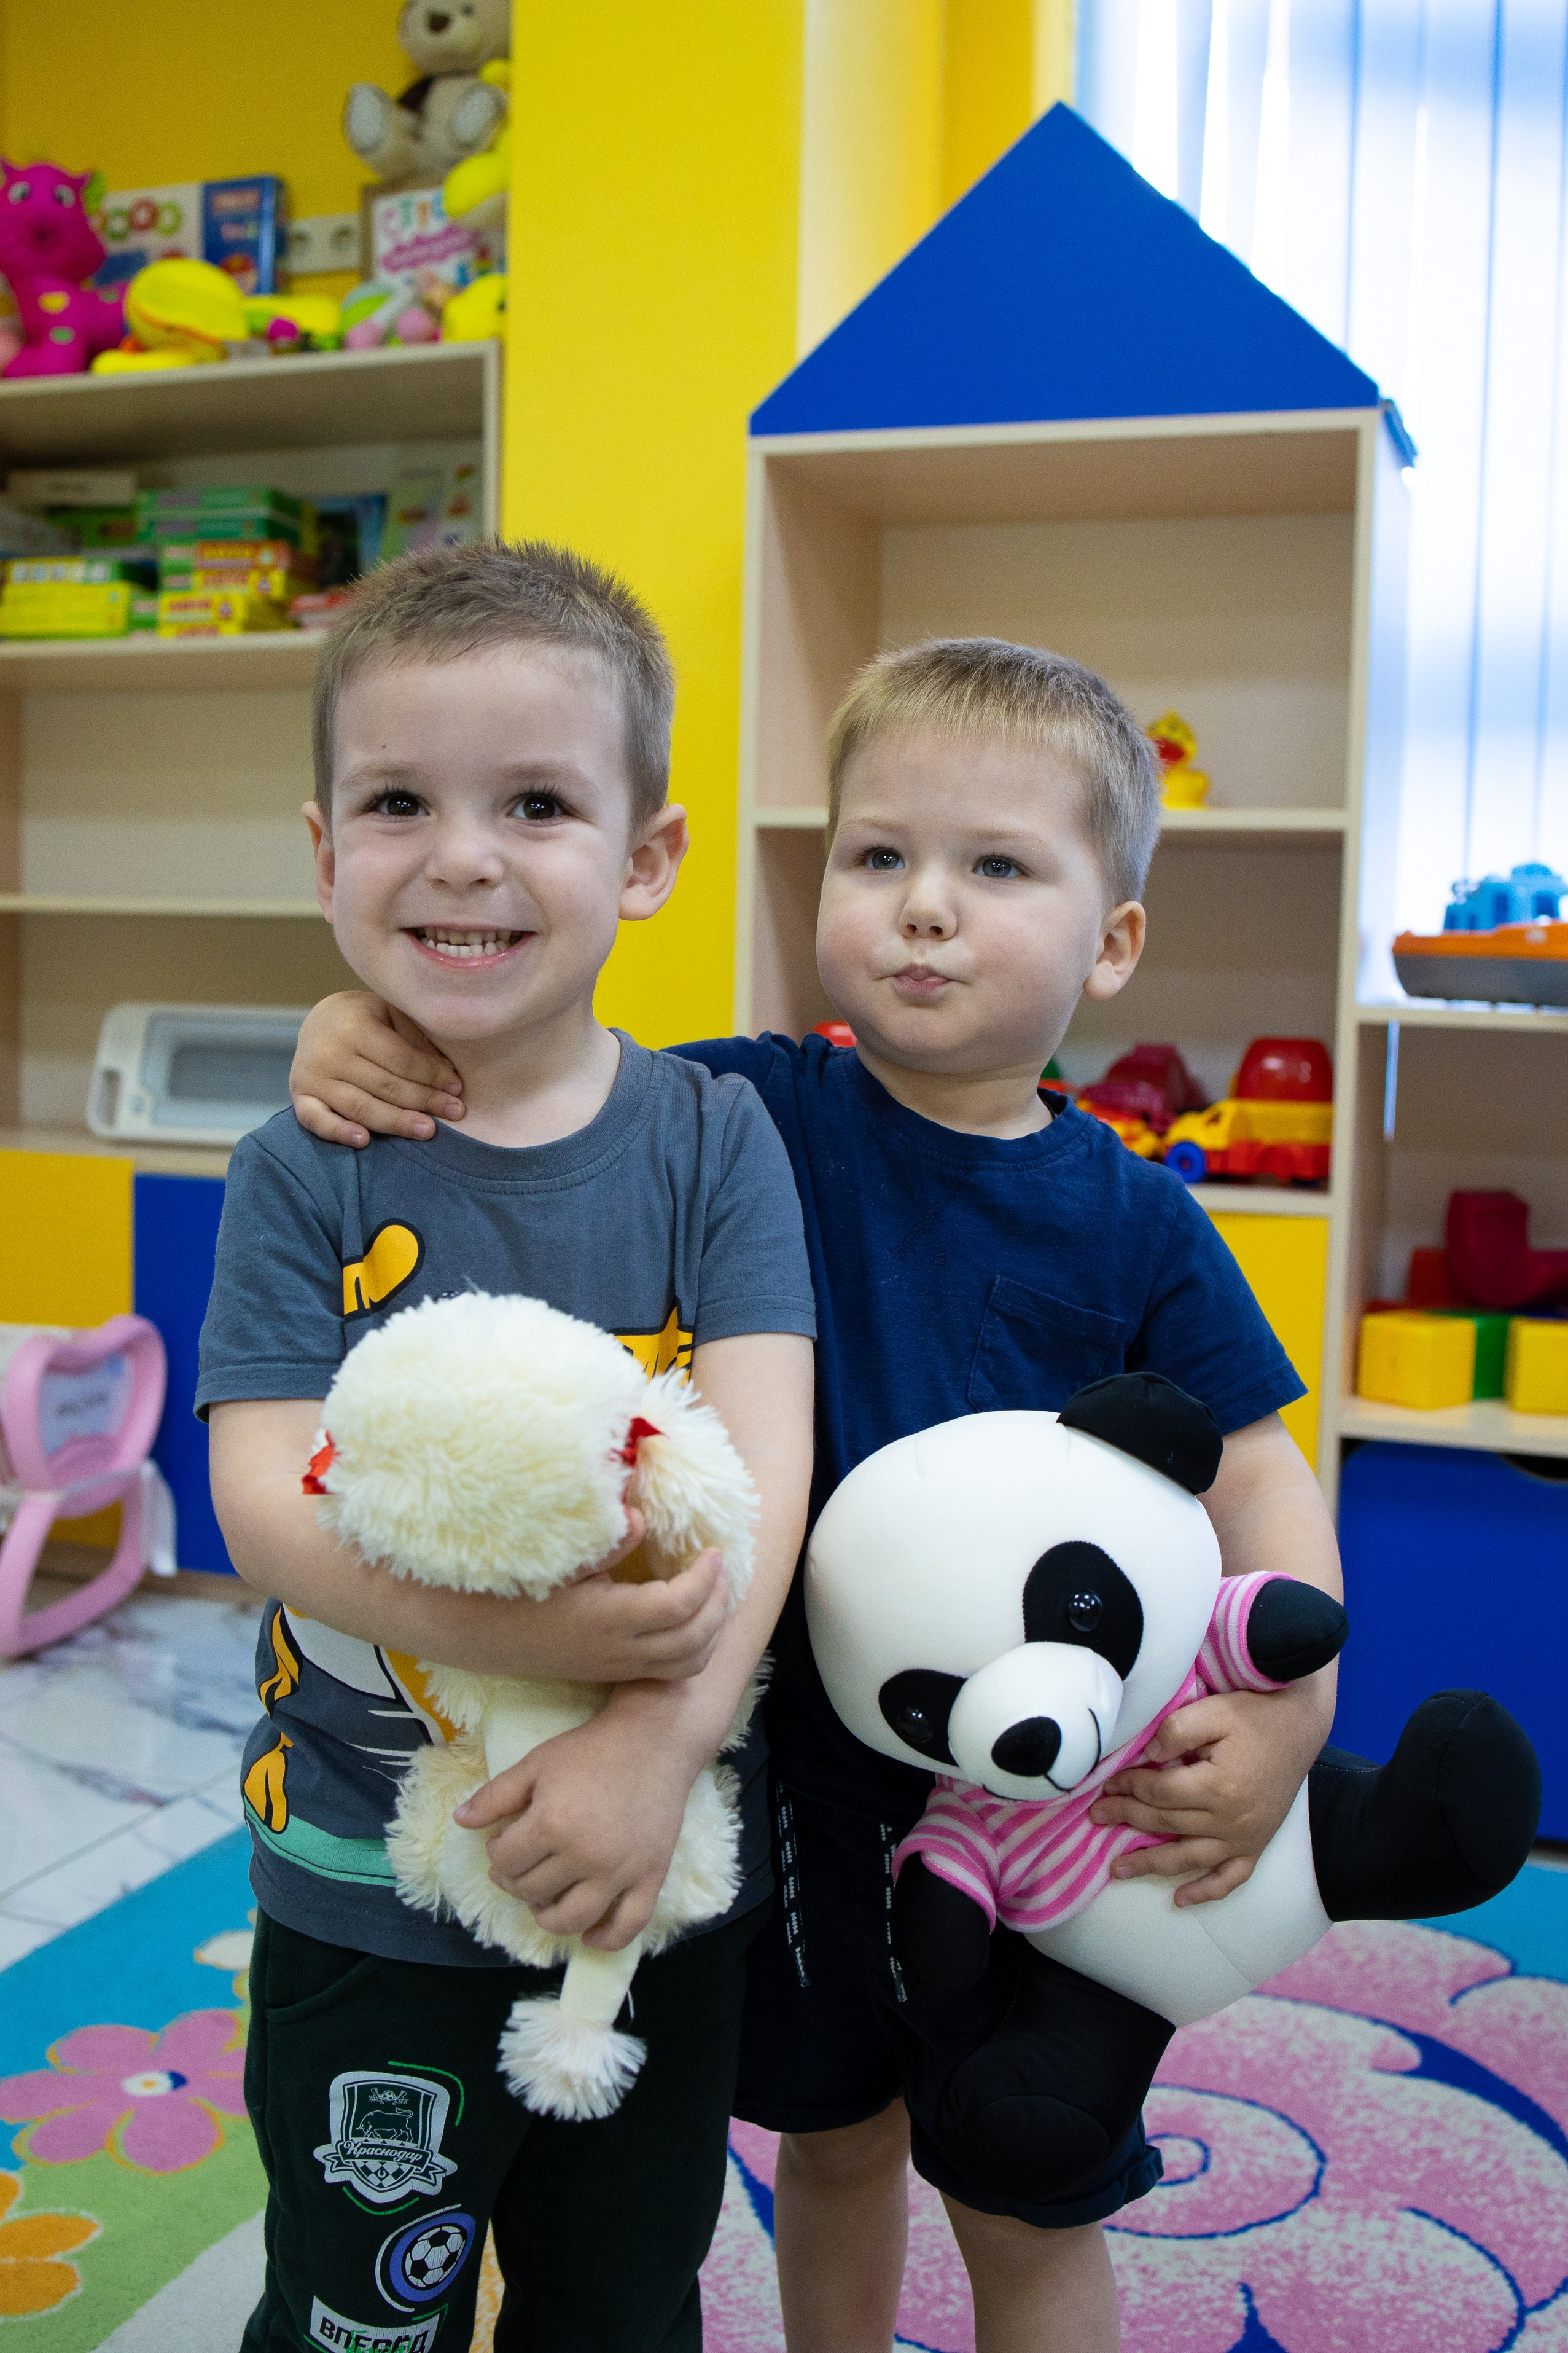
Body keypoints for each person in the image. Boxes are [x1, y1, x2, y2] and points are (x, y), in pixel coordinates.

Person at [287, 635, 1344, 2353]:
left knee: (1021, 2180)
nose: (923, 905)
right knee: (830, 2141)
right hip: (795, 1770)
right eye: (879, 856)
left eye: (995, 867)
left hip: (1049, 1798)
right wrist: (361, 1025)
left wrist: (1294, 1717)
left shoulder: (1141, 1221)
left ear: (1115, 937)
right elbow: (529, 1053)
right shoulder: (745, 1109)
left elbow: (1261, 1480)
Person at [200, 539, 816, 2353]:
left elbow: (765, 1477)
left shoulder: (716, 1143)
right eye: (399, 801)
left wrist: (659, 1738)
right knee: (356, 2313)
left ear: (644, 858)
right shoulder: (301, 1165)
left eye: (536, 803)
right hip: (358, 1879)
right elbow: (256, 1491)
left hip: (651, 1868)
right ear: (324, 852)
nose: (462, 854)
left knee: (620, 2304)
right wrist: (529, 1642)